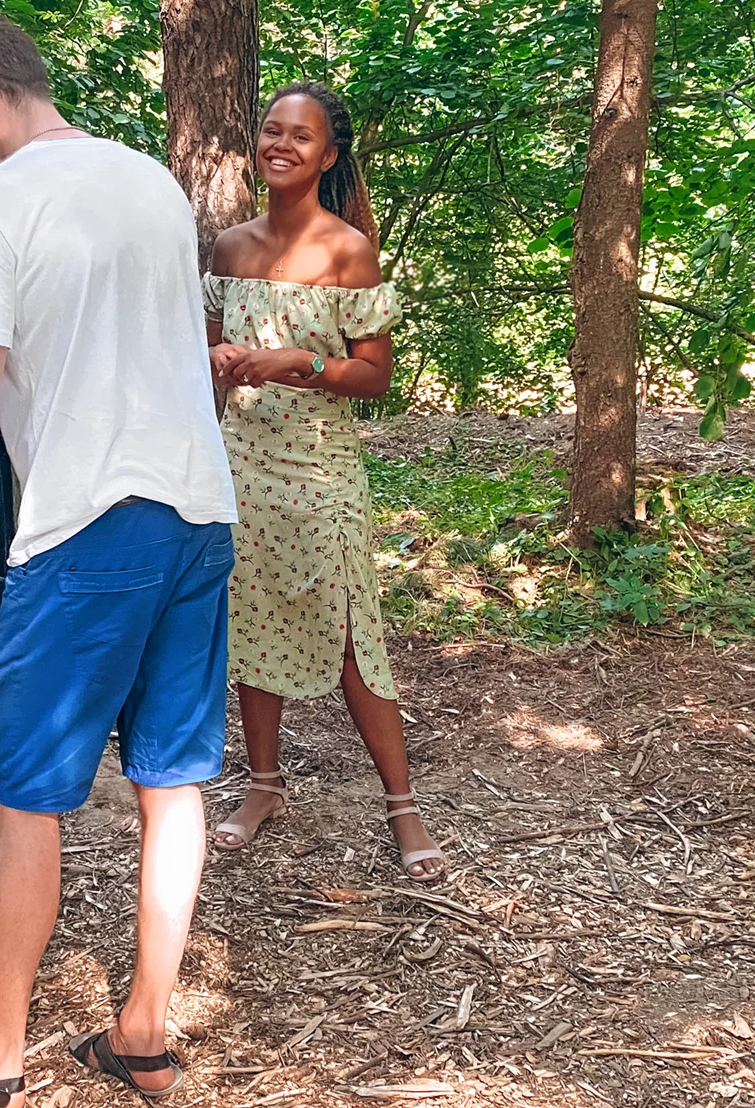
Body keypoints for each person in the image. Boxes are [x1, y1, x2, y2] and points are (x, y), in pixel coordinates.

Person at [0, 13, 239, 1108]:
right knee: (170, 783)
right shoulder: (145, 181)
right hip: (198, 512)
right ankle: (140, 1035)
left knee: (23, 797)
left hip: (88, 528)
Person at [204, 82, 448, 882]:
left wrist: (298, 363)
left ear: (328, 155)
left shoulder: (349, 251)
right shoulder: (231, 248)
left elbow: (376, 378)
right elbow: (205, 362)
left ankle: (402, 802)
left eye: (299, 136)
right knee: (253, 621)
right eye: (271, 130)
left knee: (350, 634)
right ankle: (264, 784)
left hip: (321, 471)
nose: (280, 144)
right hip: (243, 465)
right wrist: (215, 370)